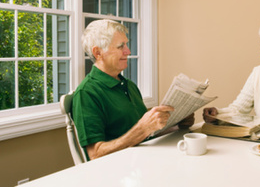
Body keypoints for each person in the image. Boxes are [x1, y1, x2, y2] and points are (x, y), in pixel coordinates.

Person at [72, 19, 194, 160]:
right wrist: (142, 128)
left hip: (143, 161)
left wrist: (177, 126)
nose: (128, 51)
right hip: (120, 173)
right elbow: (95, 154)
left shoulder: (129, 85)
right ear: (98, 52)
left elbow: (143, 137)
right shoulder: (86, 93)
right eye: (120, 46)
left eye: (126, 44)